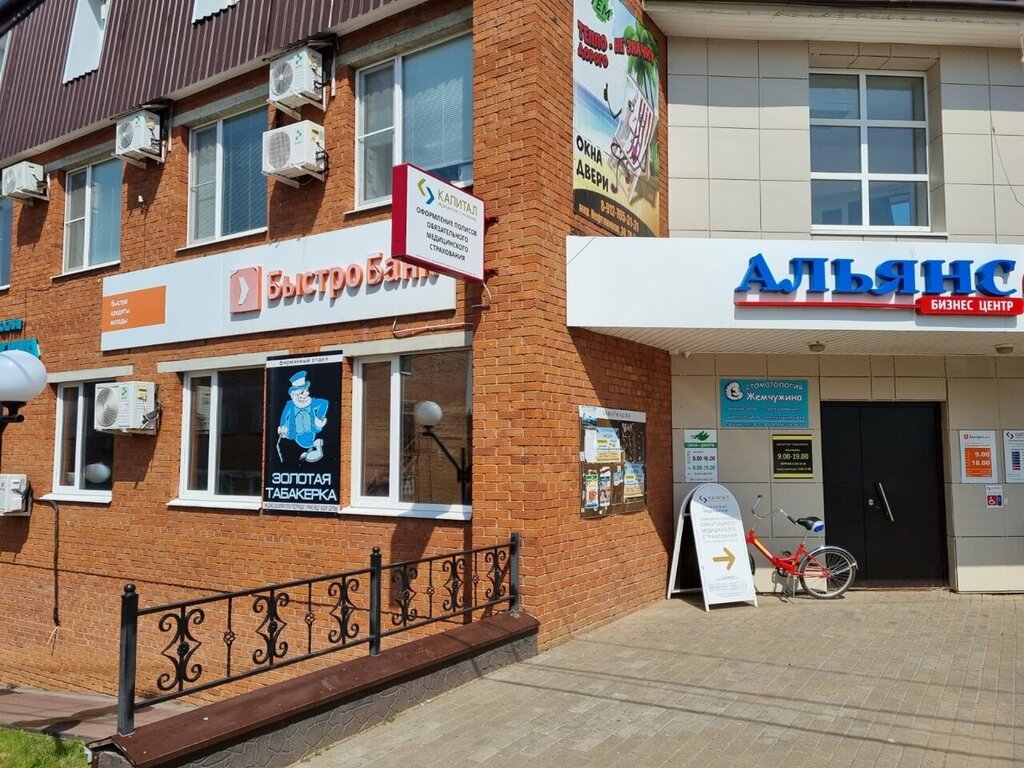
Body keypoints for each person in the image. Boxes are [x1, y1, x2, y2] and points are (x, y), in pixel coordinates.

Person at [277, 370, 329, 462]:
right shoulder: (290, 405)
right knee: (304, 443)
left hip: (310, 429)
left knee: (307, 442)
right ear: (293, 394)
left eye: (306, 391)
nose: (305, 394)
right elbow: (284, 416)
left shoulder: (311, 402)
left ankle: (314, 448)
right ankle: (314, 447)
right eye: (301, 393)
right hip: (296, 431)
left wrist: (318, 418)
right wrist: (283, 426)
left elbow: (324, 403)